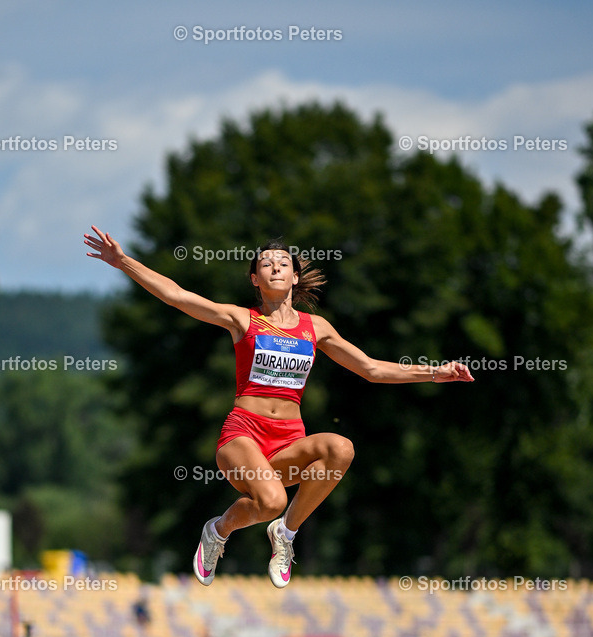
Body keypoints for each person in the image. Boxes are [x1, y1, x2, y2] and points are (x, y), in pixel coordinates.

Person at [84, 226, 474, 586]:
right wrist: (123, 262)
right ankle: (218, 531)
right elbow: (178, 296)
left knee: (341, 448)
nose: (274, 267)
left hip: (288, 440)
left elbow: (371, 368)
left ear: (294, 277)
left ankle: (286, 533)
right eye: (265, 264)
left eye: (282, 263)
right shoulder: (242, 319)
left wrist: (437, 372)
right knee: (270, 500)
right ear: (255, 279)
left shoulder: (315, 328)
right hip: (243, 433)